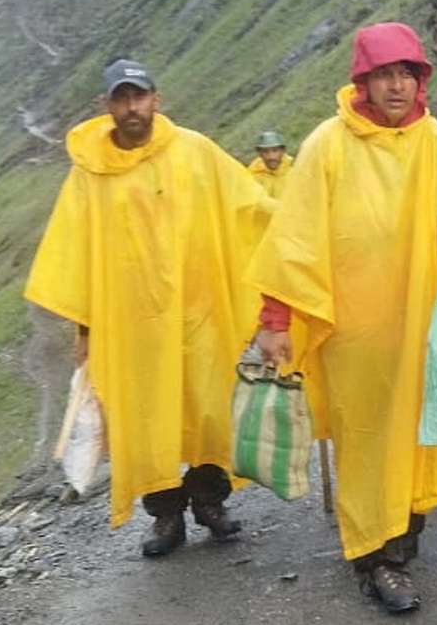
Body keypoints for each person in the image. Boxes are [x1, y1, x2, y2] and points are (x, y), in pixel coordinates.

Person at [248, 23, 437, 614]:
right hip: (353, 332)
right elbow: (294, 239)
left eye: (407, 75)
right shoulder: (327, 145)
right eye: (383, 75)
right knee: (367, 439)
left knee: (415, 434)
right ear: (362, 81)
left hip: (418, 324)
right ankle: (375, 557)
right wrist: (275, 320)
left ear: (420, 80)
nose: (396, 87)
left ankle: (401, 540)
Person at [24, 58, 274, 556]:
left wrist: (305, 238)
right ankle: (164, 516)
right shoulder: (89, 175)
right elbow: (78, 256)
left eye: (139, 97)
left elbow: (250, 208)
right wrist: (87, 332)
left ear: (157, 100)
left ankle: (210, 502)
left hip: (197, 315)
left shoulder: (195, 152)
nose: (131, 108)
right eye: (121, 99)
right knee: (143, 421)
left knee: (206, 411)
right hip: (130, 326)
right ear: (106, 106)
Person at [247, 130, 293, 195]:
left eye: (275, 150)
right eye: (265, 151)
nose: (271, 157)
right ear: (260, 154)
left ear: (282, 151)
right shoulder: (252, 176)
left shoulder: (295, 170)